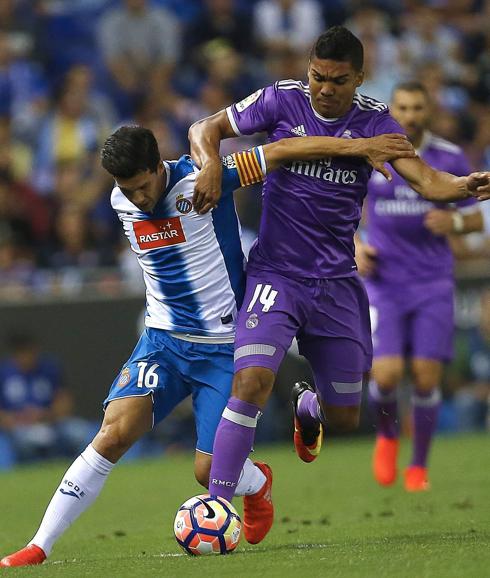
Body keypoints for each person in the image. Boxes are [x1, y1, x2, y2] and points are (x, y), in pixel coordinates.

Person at [0, 124, 413, 566]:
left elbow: (282, 150)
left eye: (142, 186)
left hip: (223, 347)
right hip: (163, 343)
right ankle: (39, 546)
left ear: (158, 167)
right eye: (127, 189)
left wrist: (357, 147)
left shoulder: (205, 177)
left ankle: (258, 484)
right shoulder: (120, 201)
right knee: (113, 434)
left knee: (206, 472)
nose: (137, 197)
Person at [187, 25, 490, 535]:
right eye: (317, 77)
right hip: (276, 272)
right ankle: (220, 507)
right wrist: (210, 164)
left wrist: (462, 186)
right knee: (253, 380)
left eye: (337, 80)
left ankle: (310, 406)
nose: (324, 89)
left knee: (346, 417)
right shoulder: (280, 99)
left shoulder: (376, 121)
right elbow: (204, 128)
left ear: (359, 78)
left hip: (337, 282)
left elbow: (426, 181)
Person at [355, 81, 483, 491]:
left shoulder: (448, 156)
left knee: (427, 378)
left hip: (432, 281)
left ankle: (419, 467)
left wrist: (457, 222)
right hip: (385, 281)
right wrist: (355, 244)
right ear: (393, 110)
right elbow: (343, 207)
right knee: (387, 374)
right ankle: (389, 436)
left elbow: (480, 213)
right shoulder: (376, 151)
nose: (409, 115)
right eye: (403, 108)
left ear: (428, 111)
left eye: (417, 108)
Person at [0, 332, 92, 464]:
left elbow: (64, 401)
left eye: (30, 352)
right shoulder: (4, 373)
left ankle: (76, 468)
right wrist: (19, 419)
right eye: (22, 353)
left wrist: (45, 415)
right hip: (20, 427)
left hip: (52, 423)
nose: (27, 357)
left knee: (81, 432)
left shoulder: (49, 369)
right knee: (26, 442)